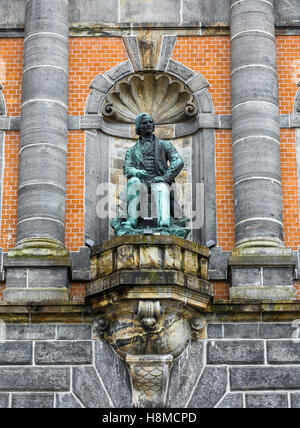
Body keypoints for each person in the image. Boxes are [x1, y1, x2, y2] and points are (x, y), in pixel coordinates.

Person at [121, 112, 184, 228]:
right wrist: (137, 173)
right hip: (141, 182)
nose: (149, 124)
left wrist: (165, 177)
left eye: (151, 122)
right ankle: (131, 221)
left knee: (161, 187)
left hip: (158, 180)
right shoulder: (132, 150)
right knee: (133, 182)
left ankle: (164, 222)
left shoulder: (165, 145)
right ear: (139, 127)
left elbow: (178, 161)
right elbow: (127, 168)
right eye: (145, 123)